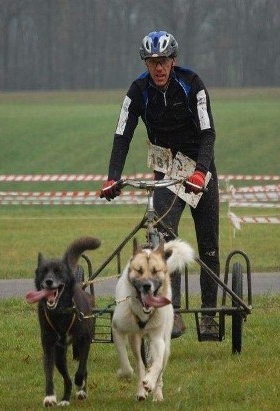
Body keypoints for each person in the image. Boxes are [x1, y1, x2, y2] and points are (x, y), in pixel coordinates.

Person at [99, 31, 220, 340]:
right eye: (152, 62)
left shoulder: (192, 84)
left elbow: (208, 133)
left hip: (197, 167)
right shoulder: (138, 90)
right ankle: (172, 313)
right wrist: (113, 176)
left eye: (163, 61)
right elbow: (122, 134)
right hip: (166, 167)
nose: (158, 68)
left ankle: (208, 317)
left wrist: (201, 172)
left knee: (207, 246)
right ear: (146, 63)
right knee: (164, 243)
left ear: (173, 61)